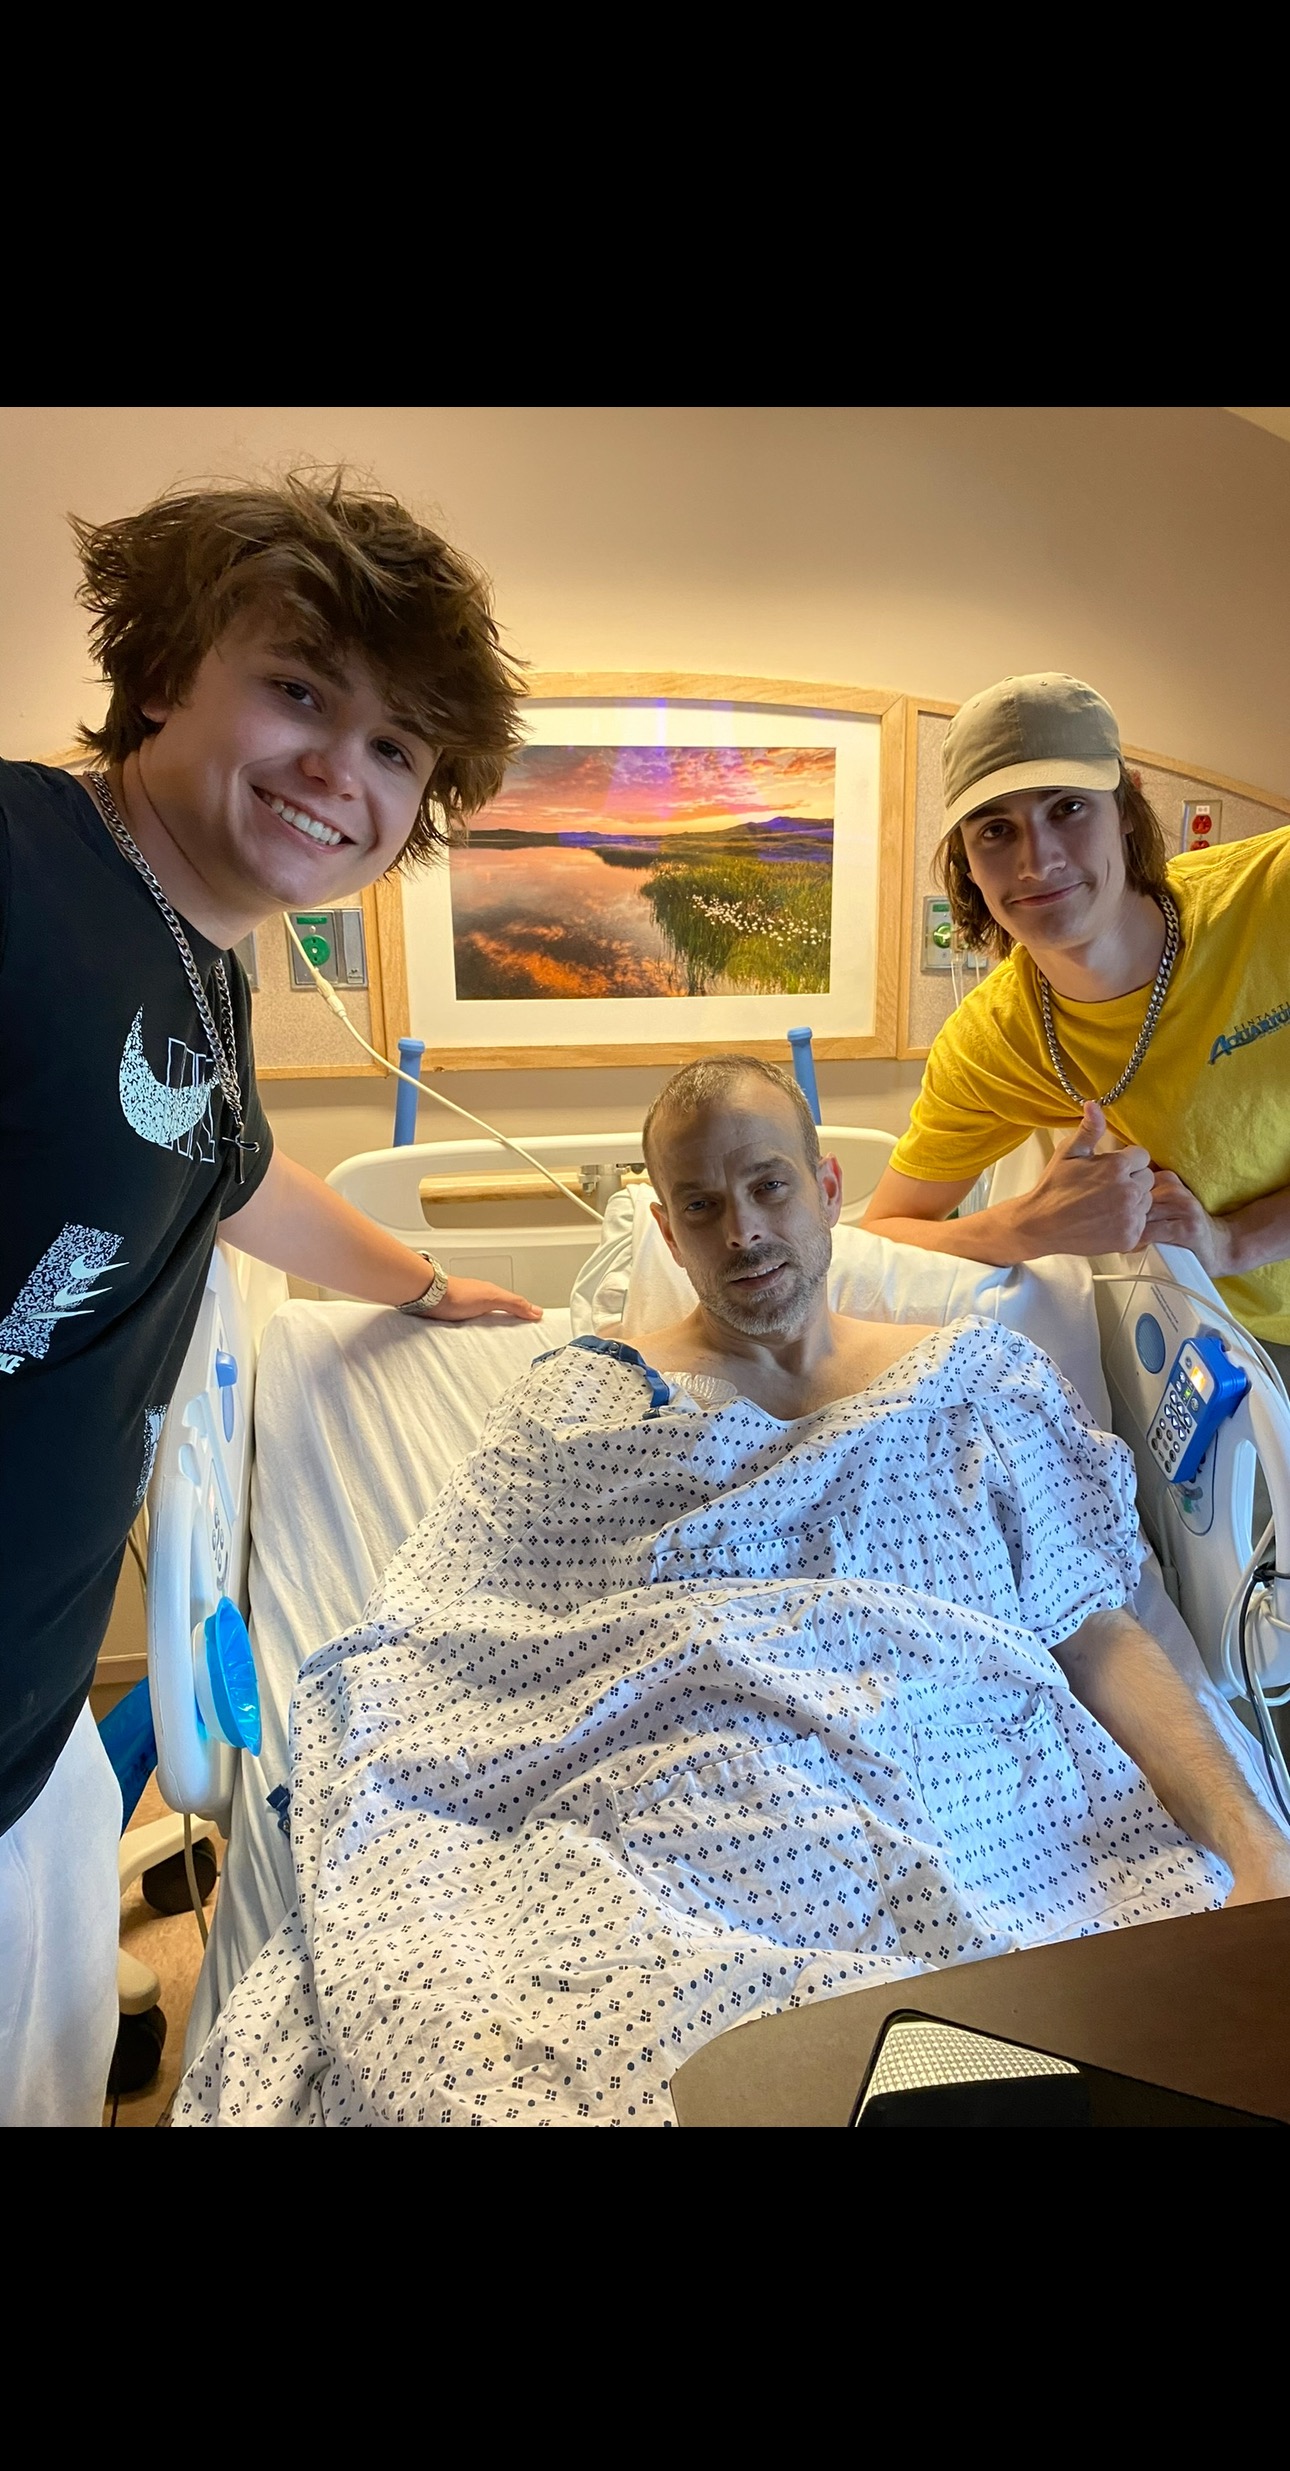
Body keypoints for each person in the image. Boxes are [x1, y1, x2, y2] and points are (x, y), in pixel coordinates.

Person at [175, 1057, 1290, 2128]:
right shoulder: (582, 1407)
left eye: (769, 1186)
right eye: (703, 1206)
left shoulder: (978, 1381)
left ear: (829, 1189)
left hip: (972, 1820)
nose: (744, 1230)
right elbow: (444, 1641)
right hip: (659, 1847)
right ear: (668, 1232)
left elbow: (1095, 1631)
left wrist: (1254, 1843)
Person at [0, 471, 543, 2126]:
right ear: (168, 670)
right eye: (300, 690)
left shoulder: (200, 960)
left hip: (31, 1727)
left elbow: (232, 1173)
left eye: (395, 748)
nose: (340, 771)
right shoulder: (24, 863)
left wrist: (426, 1280)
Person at [861, 673, 1290, 1378]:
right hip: (1239, 1350)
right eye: (996, 829)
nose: (1038, 861)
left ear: (1126, 805)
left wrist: (1235, 1241)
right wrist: (1028, 1225)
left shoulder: (1272, 899)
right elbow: (884, 1232)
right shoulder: (993, 1045)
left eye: (1067, 807)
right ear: (966, 859)